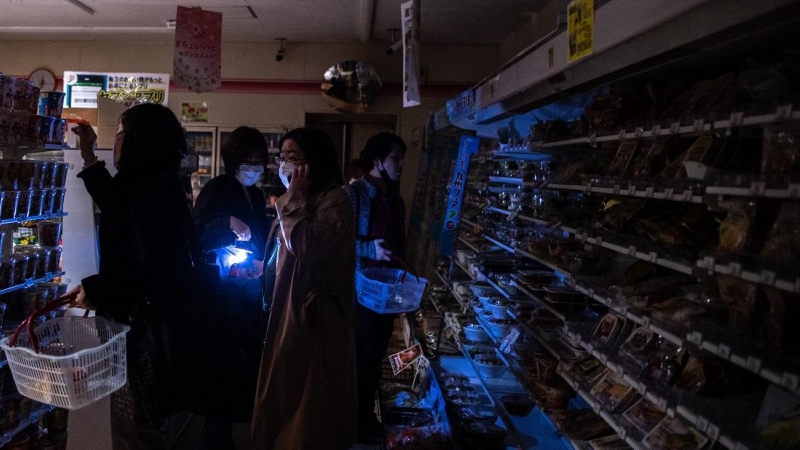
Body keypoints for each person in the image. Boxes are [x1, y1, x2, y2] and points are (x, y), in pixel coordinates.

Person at [68, 103, 194, 450]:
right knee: (141, 422)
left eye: (121, 131)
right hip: (148, 317)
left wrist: (98, 289)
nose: (117, 138)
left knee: (137, 424)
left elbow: (146, 264)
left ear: (139, 139)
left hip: (142, 324)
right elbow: (116, 204)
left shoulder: (147, 185)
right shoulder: (154, 181)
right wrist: (89, 154)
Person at [251, 127, 357, 450]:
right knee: (285, 394)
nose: (286, 166)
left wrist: (293, 198)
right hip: (288, 308)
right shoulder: (303, 199)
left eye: (293, 158)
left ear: (315, 162)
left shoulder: (335, 200)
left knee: (309, 406)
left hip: (313, 318)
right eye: (282, 158)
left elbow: (307, 245)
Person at [191, 126, 272, 450]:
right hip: (221, 299)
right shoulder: (217, 189)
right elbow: (196, 233)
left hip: (247, 292)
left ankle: (227, 435)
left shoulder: (255, 194)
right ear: (233, 161)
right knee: (223, 373)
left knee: (240, 371)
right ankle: (216, 440)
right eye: (247, 162)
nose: (253, 169)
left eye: (258, 162)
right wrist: (226, 224)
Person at [344, 132, 407, 443]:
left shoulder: (396, 200)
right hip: (361, 292)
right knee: (362, 357)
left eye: (402, 157)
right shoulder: (353, 195)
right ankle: (357, 421)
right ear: (377, 160)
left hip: (389, 294)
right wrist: (370, 251)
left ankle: (363, 417)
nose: (401, 164)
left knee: (377, 354)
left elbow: (400, 244)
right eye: (396, 157)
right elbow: (337, 241)